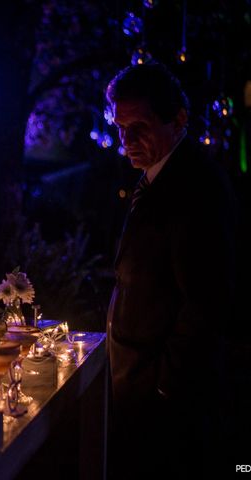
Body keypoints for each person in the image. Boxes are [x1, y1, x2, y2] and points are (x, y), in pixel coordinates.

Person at [105, 63, 236, 478]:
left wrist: (166, 386)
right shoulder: (158, 177)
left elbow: (206, 300)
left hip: (164, 400)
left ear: (178, 118)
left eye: (139, 126)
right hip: (142, 388)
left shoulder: (195, 185)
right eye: (120, 127)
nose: (126, 141)